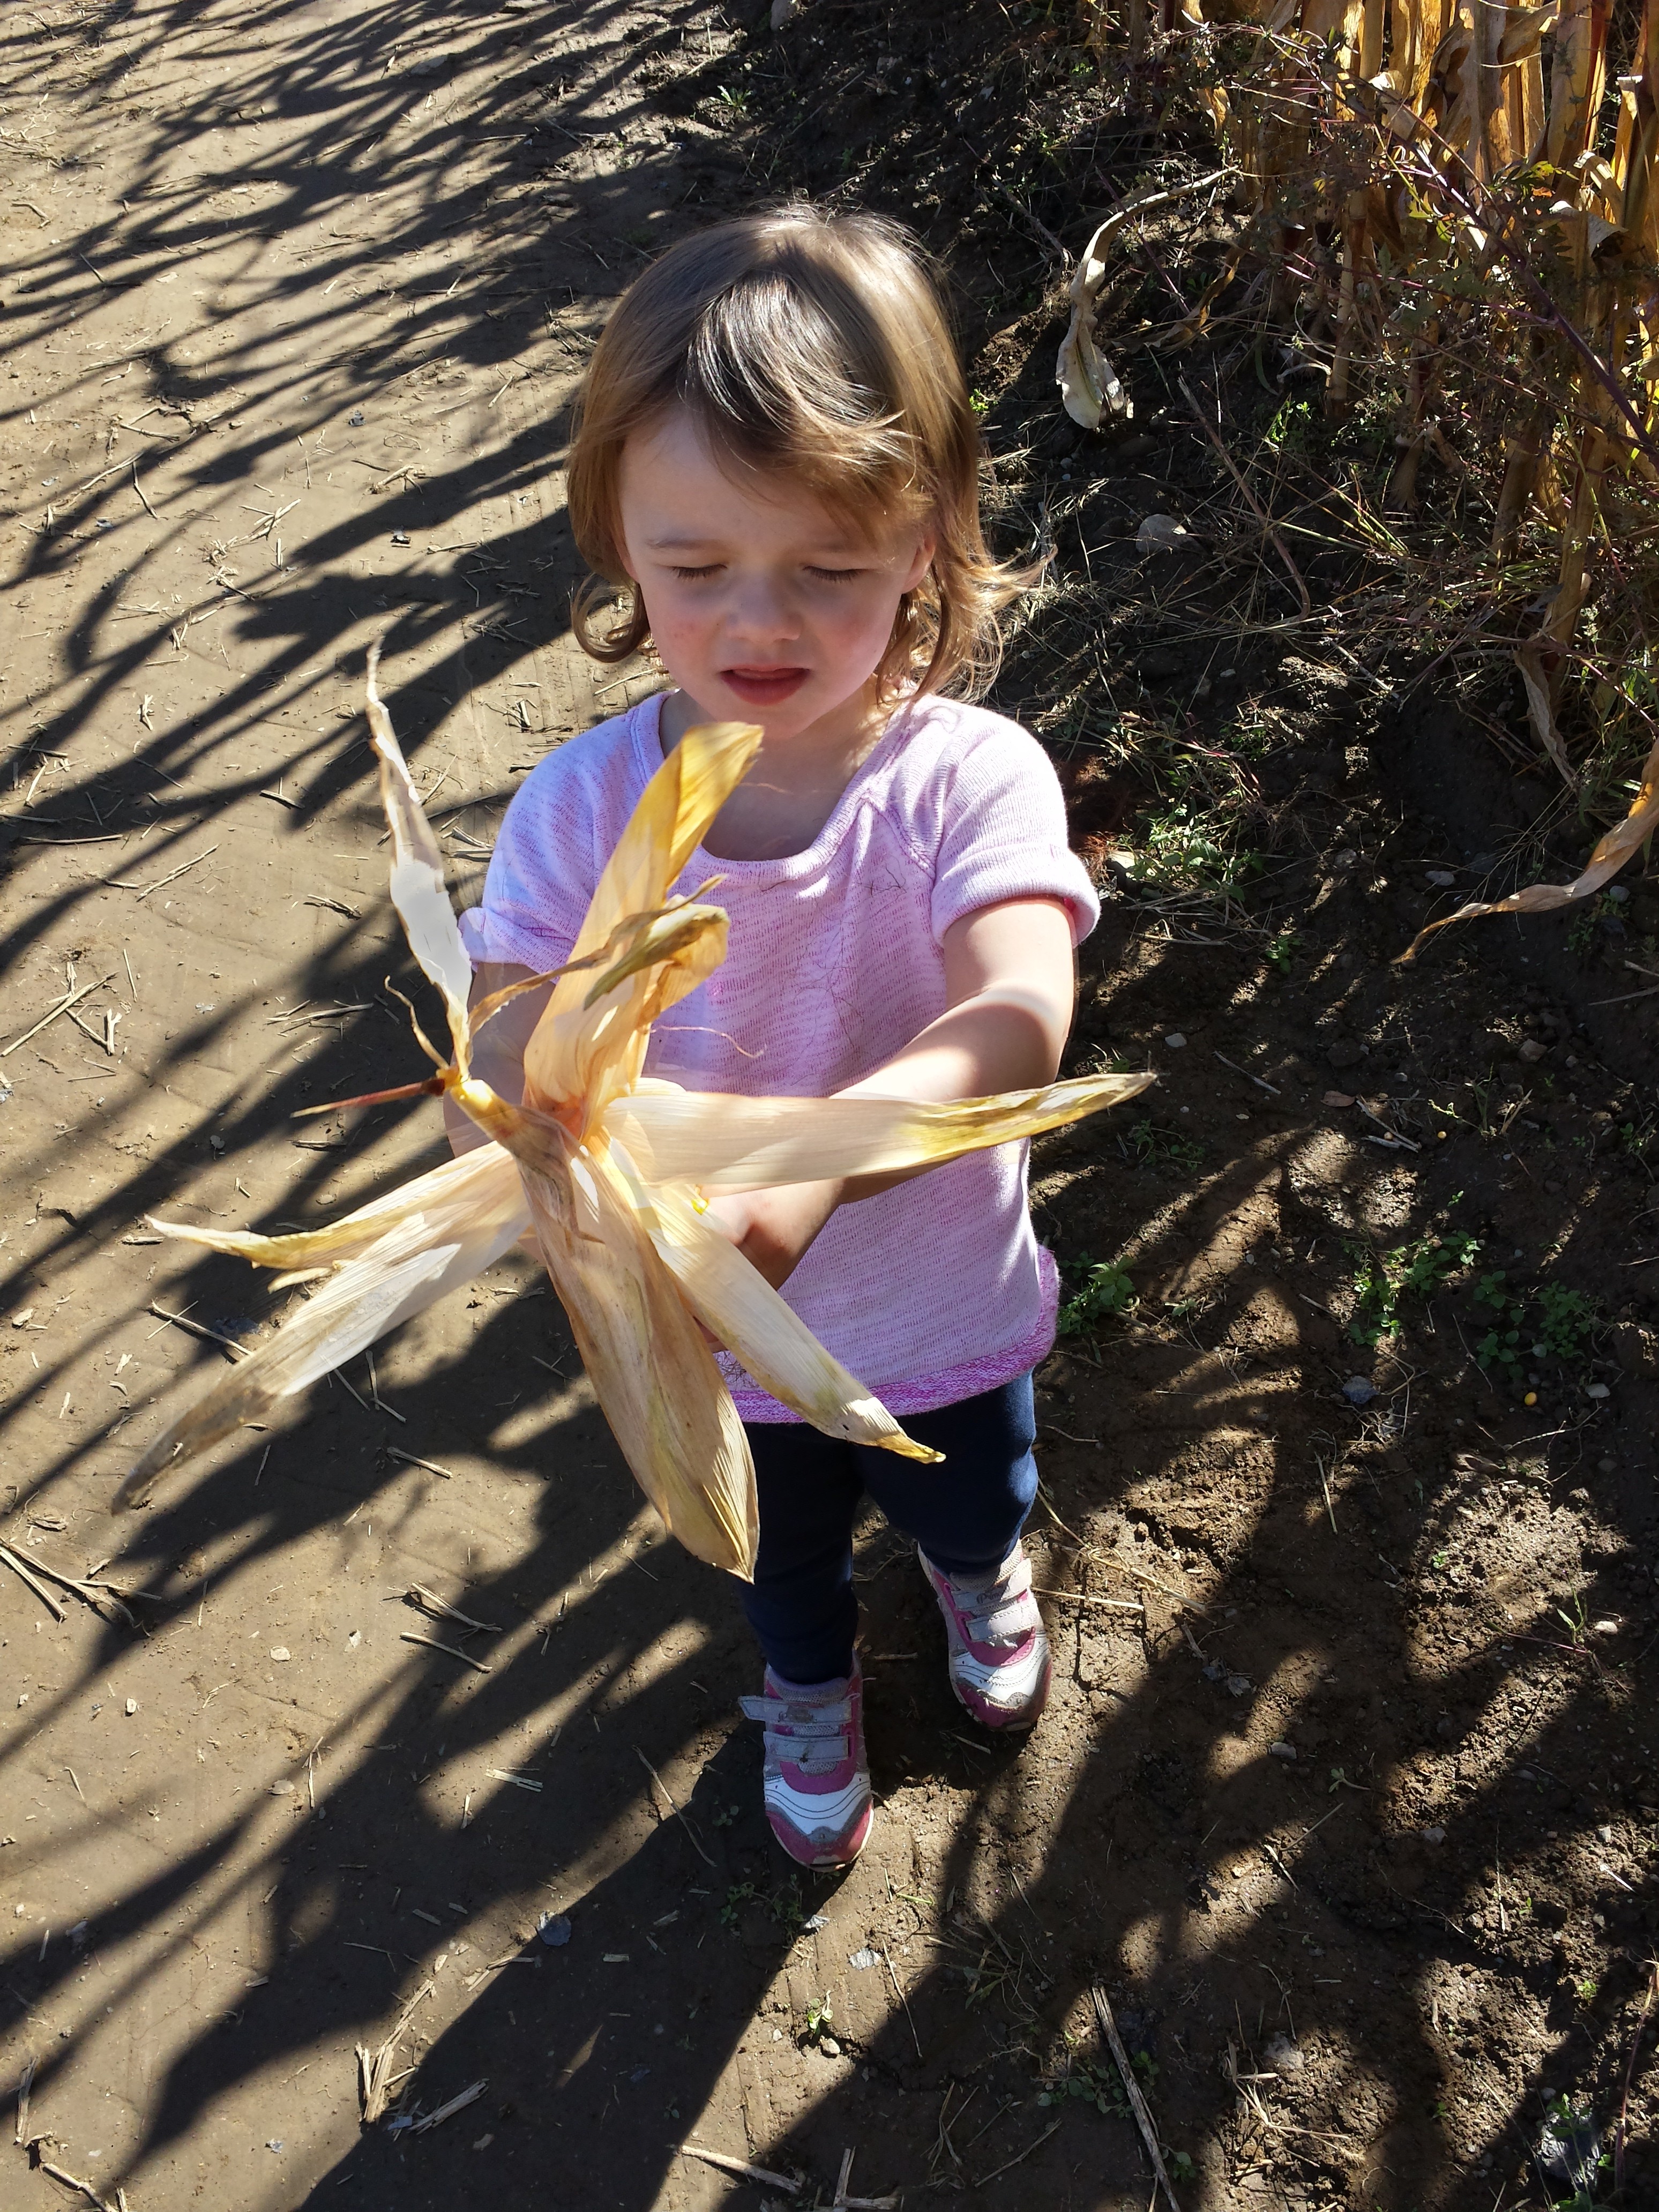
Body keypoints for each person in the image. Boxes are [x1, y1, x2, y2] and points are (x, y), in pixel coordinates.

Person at [453, 206, 1098, 1870]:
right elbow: (507, 1024)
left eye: (827, 570)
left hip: (945, 1315)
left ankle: (980, 1587)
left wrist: (806, 1175)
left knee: (972, 1495)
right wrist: (516, 1136)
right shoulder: (582, 811)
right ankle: (809, 1688)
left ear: (930, 539)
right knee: (777, 1560)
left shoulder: (968, 782)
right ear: (614, 538)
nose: (762, 623)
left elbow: (1022, 1012)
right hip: (714, 1355)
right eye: (694, 570)